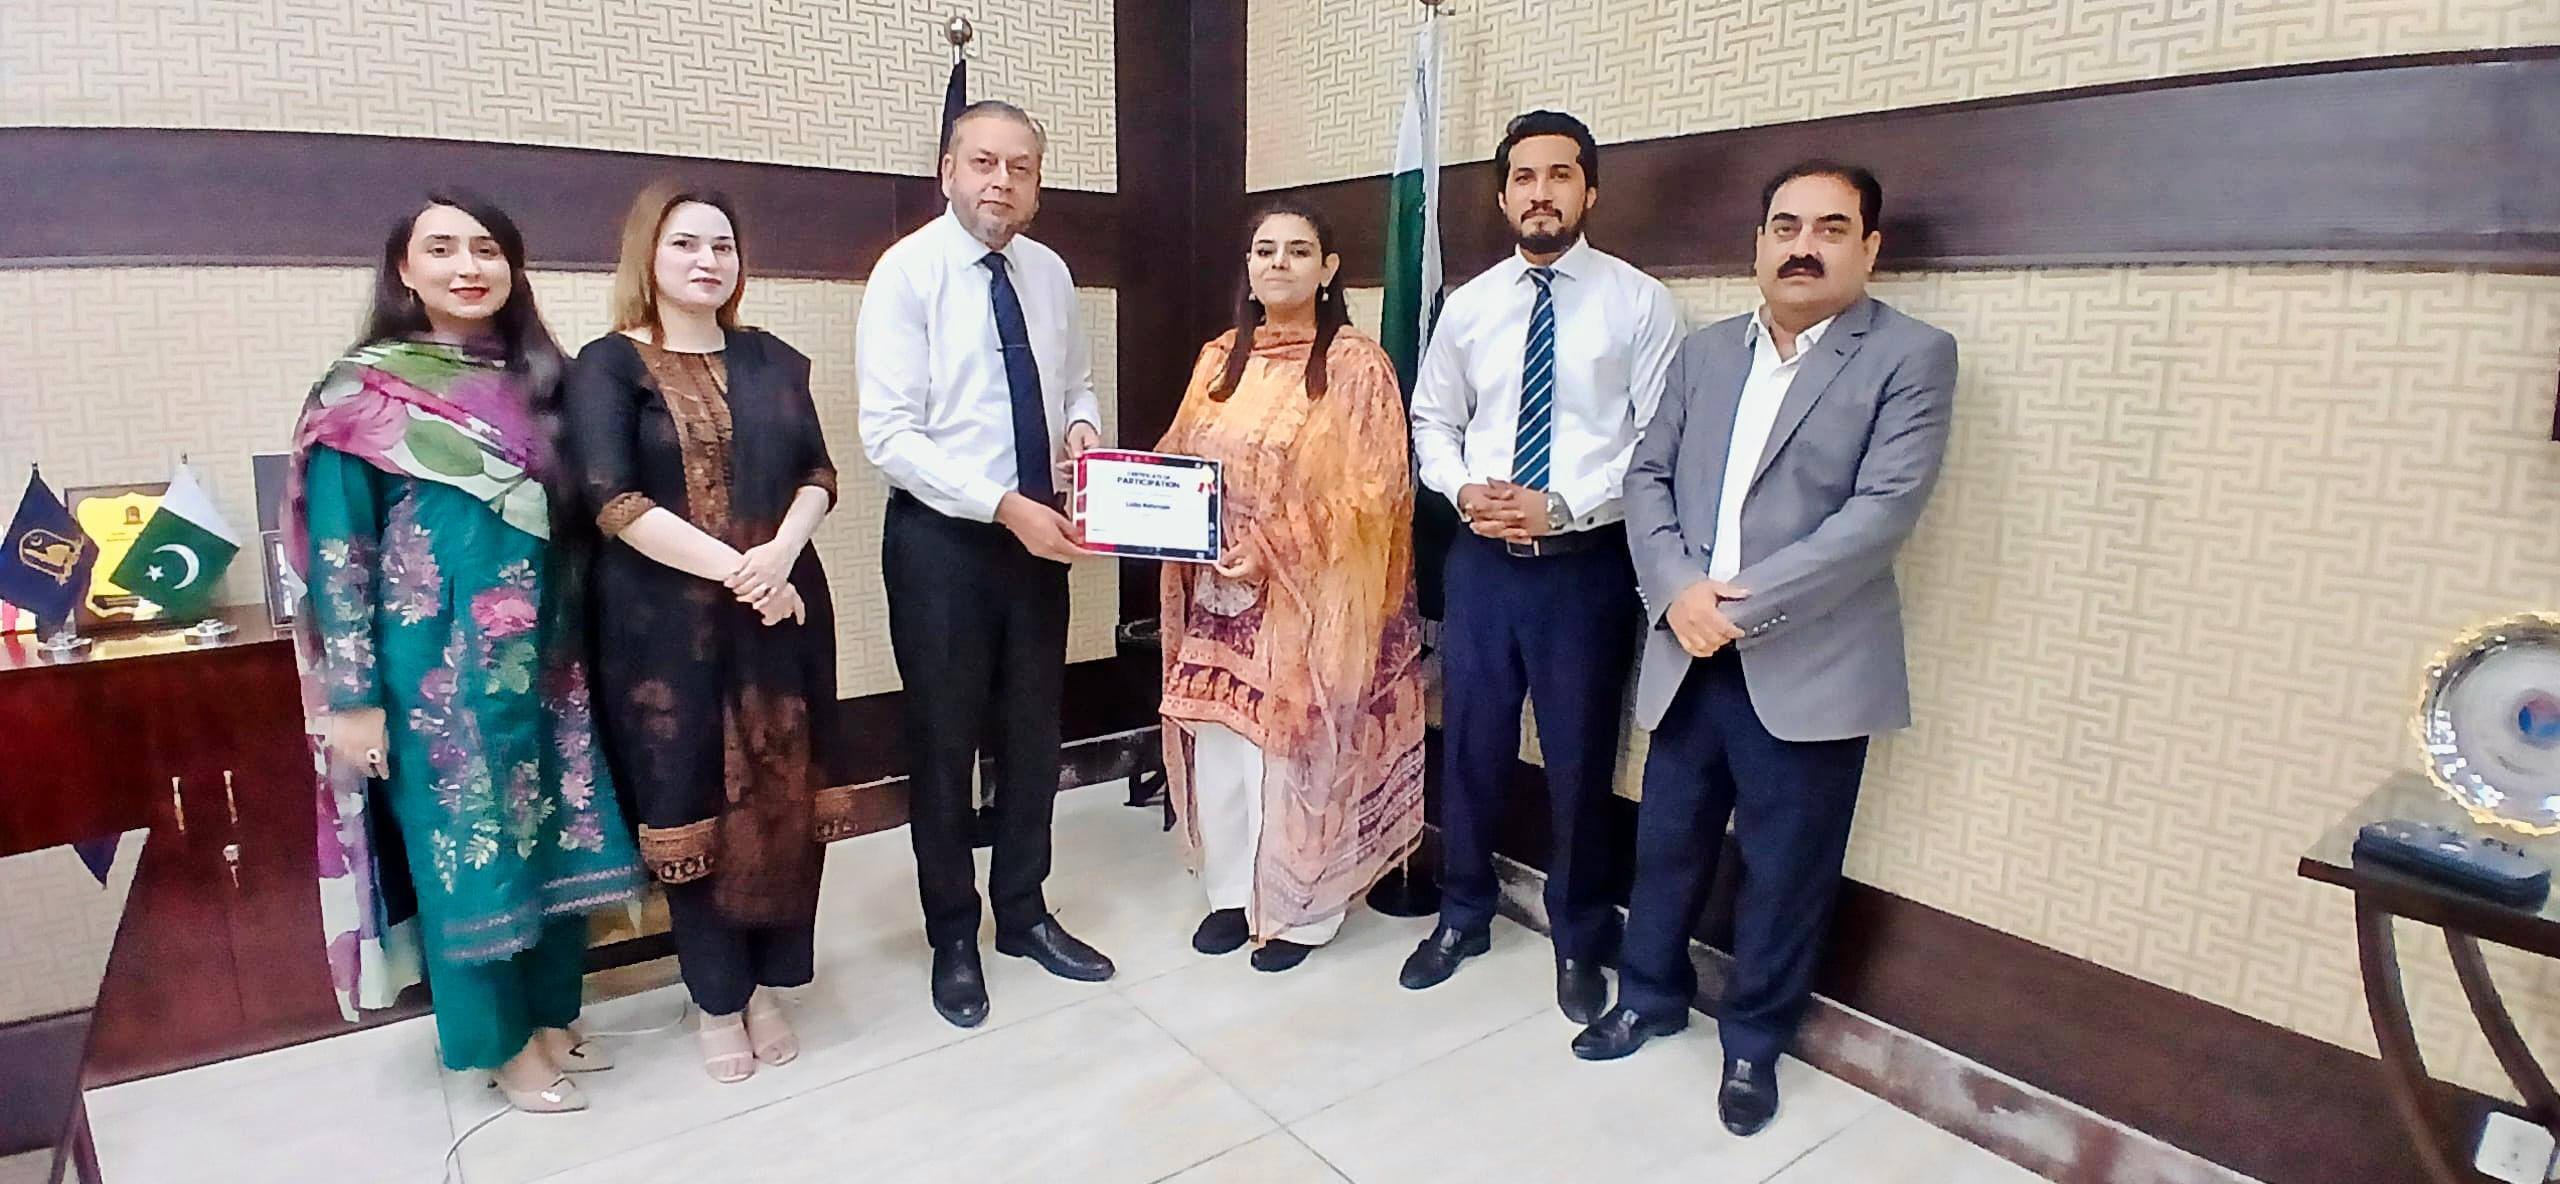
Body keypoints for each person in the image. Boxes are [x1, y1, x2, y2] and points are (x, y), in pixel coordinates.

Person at [1574, 160, 1959, 1139]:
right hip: (1687, 650)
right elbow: (1648, 478)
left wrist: (1732, 608)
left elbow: (1880, 514)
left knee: (1786, 871)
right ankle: (1648, 996)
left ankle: (1753, 1042)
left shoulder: (1911, 356)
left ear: (1869, 248)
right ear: (1757, 243)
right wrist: (1678, 593)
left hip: (1811, 663)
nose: (1803, 247)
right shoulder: (1705, 354)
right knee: (1666, 844)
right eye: (1785, 226)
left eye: (1830, 228)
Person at [288, 191, 644, 1113]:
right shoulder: (362, 394)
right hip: (436, 671)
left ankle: (552, 1014)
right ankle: (499, 1045)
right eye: (441, 249)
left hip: (553, 662)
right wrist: (355, 699)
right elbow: (339, 552)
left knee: (559, 838)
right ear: (404, 271)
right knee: (471, 858)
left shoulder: (544, 380)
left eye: (487, 249)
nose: (468, 267)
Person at [1400, 110, 1679, 1023]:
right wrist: (1462, 489)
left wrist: (1560, 504)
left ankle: (1579, 936)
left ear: (1589, 191)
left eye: (1560, 176)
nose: (1541, 193)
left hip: (1584, 568)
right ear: (1503, 196)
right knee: (1470, 747)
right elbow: (1432, 420)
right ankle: (1463, 914)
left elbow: (1655, 440)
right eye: (1524, 177)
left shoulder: (1639, 302)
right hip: (1481, 562)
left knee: (1579, 759)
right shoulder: (1470, 304)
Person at [565, 182, 844, 1084]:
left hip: (783, 614)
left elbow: (817, 473)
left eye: (722, 245)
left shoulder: (773, 360)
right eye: (685, 243)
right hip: (665, 633)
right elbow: (613, 500)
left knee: (780, 798)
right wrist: (742, 572)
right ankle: (717, 997)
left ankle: (767, 984)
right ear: (648, 254)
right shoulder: (608, 365)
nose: (707, 261)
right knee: (690, 807)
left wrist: (780, 555)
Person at [857, 100, 1115, 1029]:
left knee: (1033, 734)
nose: (1000, 182)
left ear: (1037, 183)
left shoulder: (1050, 273)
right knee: (944, 743)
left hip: (1038, 539)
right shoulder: (906, 273)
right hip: (943, 543)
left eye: (1020, 167)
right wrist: (1003, 505)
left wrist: (1082, 430)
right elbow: (889, 435)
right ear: (948, 172)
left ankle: (1024, 912)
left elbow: (1075, 383)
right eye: (983, 163)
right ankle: (953, 935)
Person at [1155, 201, 1426, 972]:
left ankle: (1301, 914)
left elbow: (1375, 489)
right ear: (1248, 268)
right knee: (1221, 745)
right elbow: (1177, 455)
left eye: (1299, 251)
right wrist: (1126, 500)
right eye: (1265, 250)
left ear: (1328, 270)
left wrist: (1274, 547)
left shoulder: (1356, 366)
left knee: (1293, 755)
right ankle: (1231, 895)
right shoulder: (1219, 358)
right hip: (1218, 595)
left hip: (1313, 602)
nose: (1279, 262)